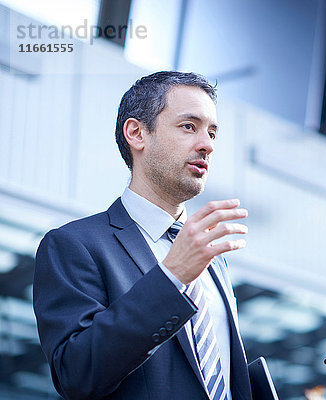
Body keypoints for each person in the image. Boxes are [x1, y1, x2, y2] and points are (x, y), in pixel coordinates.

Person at [33, 71, 252, 400]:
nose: (207, 145)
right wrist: (171, 276)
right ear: (136, 133)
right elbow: (75, 375)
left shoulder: (213, 259)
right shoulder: (74, 246)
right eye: (188, 126)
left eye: (212, 132)